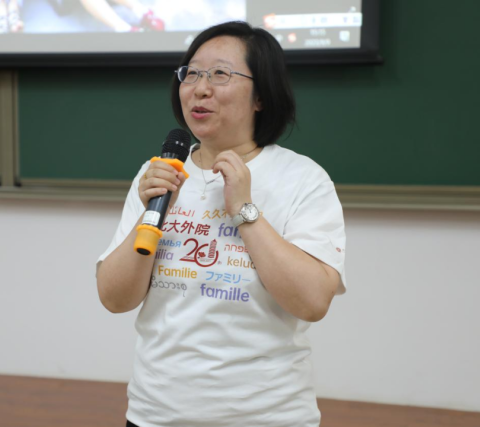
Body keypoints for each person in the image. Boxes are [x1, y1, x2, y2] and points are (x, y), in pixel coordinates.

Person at [96, 21, 346, 427]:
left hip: (267, 417)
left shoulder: (302, 179)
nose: (200, 88)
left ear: (261, 96)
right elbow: (114, 298)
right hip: (156, 414)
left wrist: (244, 210)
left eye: (219, 74)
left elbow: (313, 302)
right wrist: (151, 212)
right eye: (191, 73)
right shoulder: (159, 175)